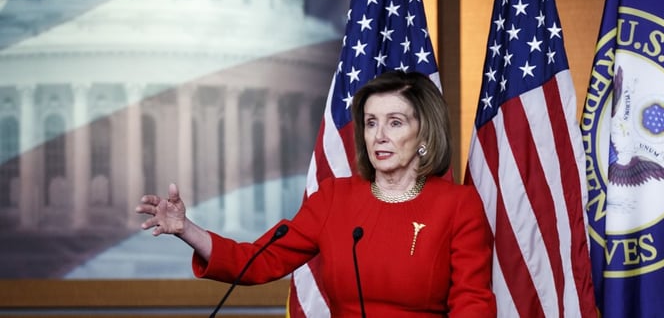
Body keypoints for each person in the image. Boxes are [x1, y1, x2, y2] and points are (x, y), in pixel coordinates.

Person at [137, 71, 497, 317]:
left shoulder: (457, 206)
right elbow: (258, 261)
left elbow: (472, 304)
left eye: (395, 122)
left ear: (425, 136)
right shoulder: (334, 199)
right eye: (371, 122)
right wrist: (187, 229)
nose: (379, 135)